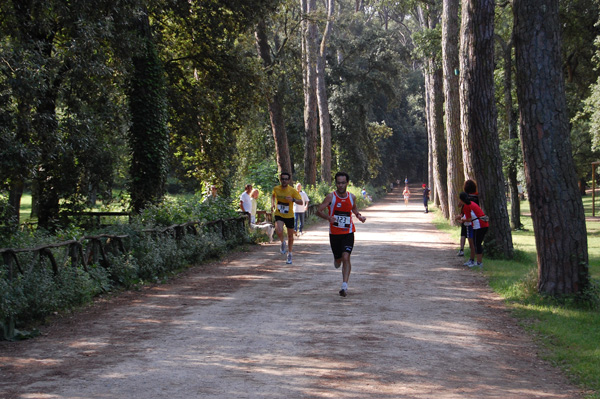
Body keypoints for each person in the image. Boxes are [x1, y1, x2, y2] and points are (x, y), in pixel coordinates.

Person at [316, 171, 367, 298]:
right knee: (339, 260)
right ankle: (336, 259)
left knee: (346, 257)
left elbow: (353, 208)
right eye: (338, 183)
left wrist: (358, 216)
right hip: (334, 234)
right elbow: (318, 211)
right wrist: (328, 218)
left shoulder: (352, 197)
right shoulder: (330, 197)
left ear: (347, 183)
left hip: (348, 232)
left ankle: (344, 285)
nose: (341, 185)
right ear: (336, 183)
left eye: (343, 183)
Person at [271, 172, 303, 265]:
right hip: (279, 213)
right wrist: (272, 203)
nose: (284, 181)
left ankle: (289, 254)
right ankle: (282, 242)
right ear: (280, 180)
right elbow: (273, 195)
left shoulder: (292, 191)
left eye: (286, 179)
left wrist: (293, 200)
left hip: (289, 215)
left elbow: (301, 202)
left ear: (288, 180)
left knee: (290, 236)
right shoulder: (276, 189)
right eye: (282, 179)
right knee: (279, 230)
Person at [457, 191, 488, 267]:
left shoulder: (466, 206)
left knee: (477, 244)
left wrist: (461, 219)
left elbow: (468, 219)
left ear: (461, 200)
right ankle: (474, 261)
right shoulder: (471, 203)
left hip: (479, 225)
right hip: (482, 224)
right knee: (475, 243)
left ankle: (479, 263)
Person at [456, 180, 479, 258]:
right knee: (472, 234)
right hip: (475, 217)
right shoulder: (477, 196)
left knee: (463, 233)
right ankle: (473, 248)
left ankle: (461, 249)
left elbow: (459, 205)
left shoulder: (465, 196)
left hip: (465, 216)